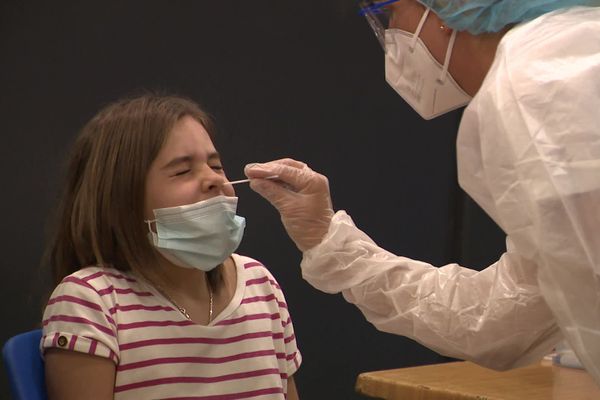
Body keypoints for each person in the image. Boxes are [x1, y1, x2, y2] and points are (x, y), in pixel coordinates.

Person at [243, 0, 600, 387]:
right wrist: (330, 242)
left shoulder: (538, 78)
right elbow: (504, 316)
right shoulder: (570, 53)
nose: (389, 36)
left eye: (390, 13)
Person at [41, 93, 301, 399]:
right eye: (182, 171)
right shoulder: (92, 302)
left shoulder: (261, 284)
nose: (214, 180)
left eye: (216, 166)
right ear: (121, 200)